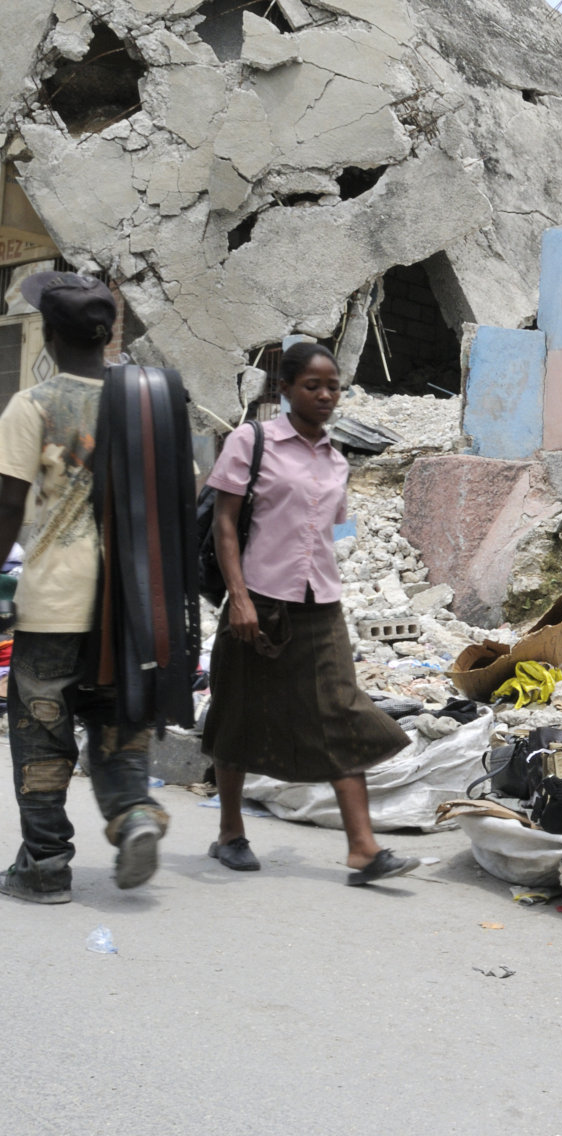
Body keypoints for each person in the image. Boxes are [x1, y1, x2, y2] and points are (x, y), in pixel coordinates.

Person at [200, 341, 418, 886]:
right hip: (260, 602)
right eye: (311, 386)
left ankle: (363, 850)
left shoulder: (337, 458)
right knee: (237, 713)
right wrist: (241, 597)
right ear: (286, 389)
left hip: (321, 604)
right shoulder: (252, 442)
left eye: (332, 387)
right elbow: (224, 524)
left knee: (340, 709)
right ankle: (229, 832)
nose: (324, 395)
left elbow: (327, 531)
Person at [0, 272, 168, 903]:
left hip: (54, 601)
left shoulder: (33, 405)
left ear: (47, 331)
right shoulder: (150, 402)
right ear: (108, 336)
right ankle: (135, 817)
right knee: (118, 724)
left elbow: (7, 507)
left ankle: (44, 865)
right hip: (131, 604)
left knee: (42, 731)